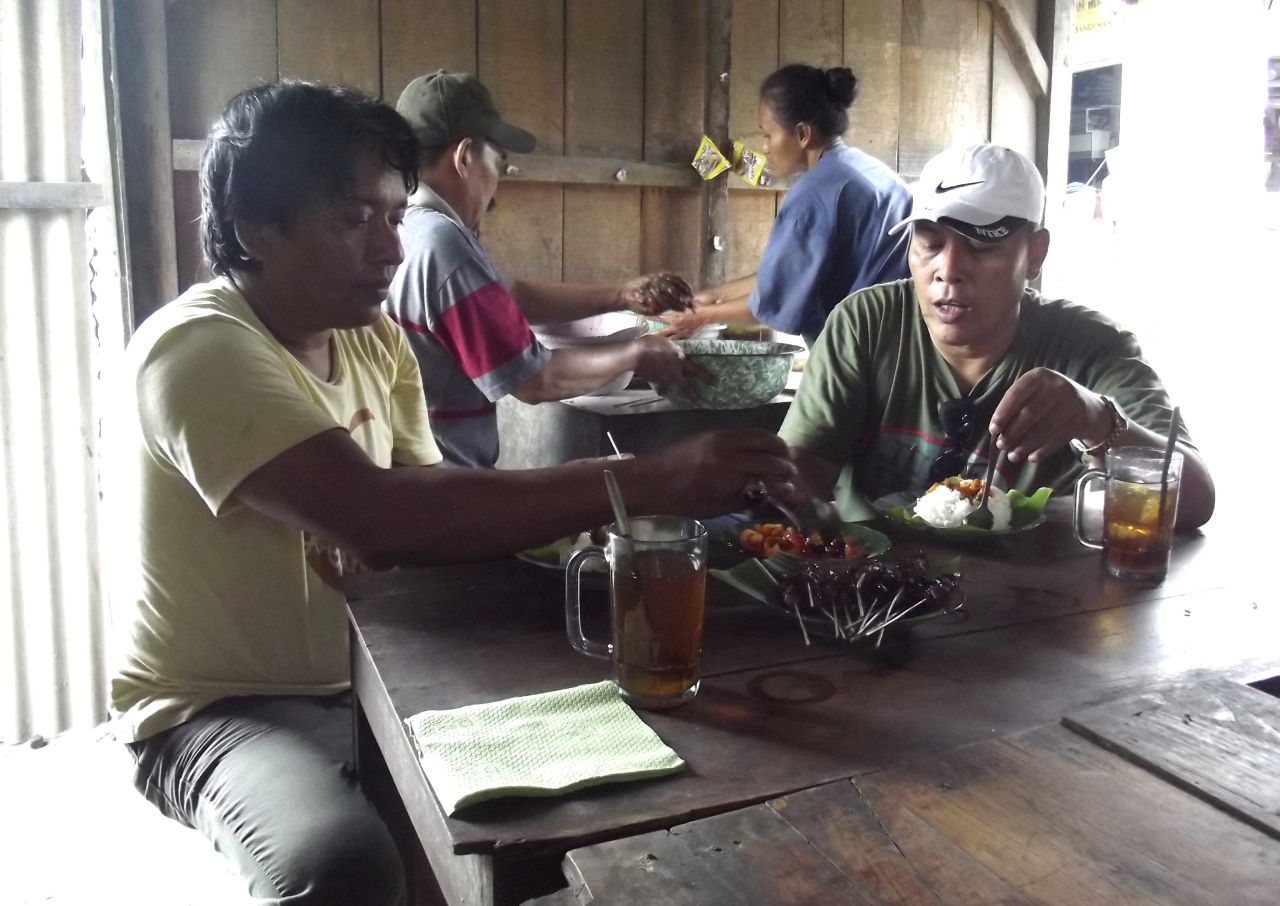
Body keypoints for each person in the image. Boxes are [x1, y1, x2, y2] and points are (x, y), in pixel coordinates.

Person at [106, 80, 797, 906]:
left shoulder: (373, 342)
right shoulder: (199, 351)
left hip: (373, 669)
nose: (392, 251)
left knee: (620, 773)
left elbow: (427, 494)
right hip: (228, 706)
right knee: (338, 863)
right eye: (354, 221)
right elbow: (381, 522)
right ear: (258, 227)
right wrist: (652, 479)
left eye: (395, 217)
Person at [778, 142, 1214, 529]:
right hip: (877, 598)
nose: (947, 270)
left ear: (1035, 254)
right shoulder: (865, 324)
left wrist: (1097, 420)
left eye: (982, 248)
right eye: (929, 244)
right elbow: (800, 478)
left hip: (1033, 602)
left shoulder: (1090, 346)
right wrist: (757, 481)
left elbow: (1194, 503)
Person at [386, 69, 696, 467]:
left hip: (418, 472)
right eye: (499, 163)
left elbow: (510, 296)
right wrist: (638, 353)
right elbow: (536, 379)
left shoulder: (409, 224)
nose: (498, 184)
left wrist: (622, 295)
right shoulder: (443, 246)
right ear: (464, 157)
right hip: (445, 483)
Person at [661, 64, 912, 347]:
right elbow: (785, 275)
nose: (765, 147)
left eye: (768, 135)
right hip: (906, 346)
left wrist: (701, 316)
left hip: (861, 355)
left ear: (803, 133)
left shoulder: (813, 194)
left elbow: (774, 301)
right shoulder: (873, 172)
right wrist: (714, 295)